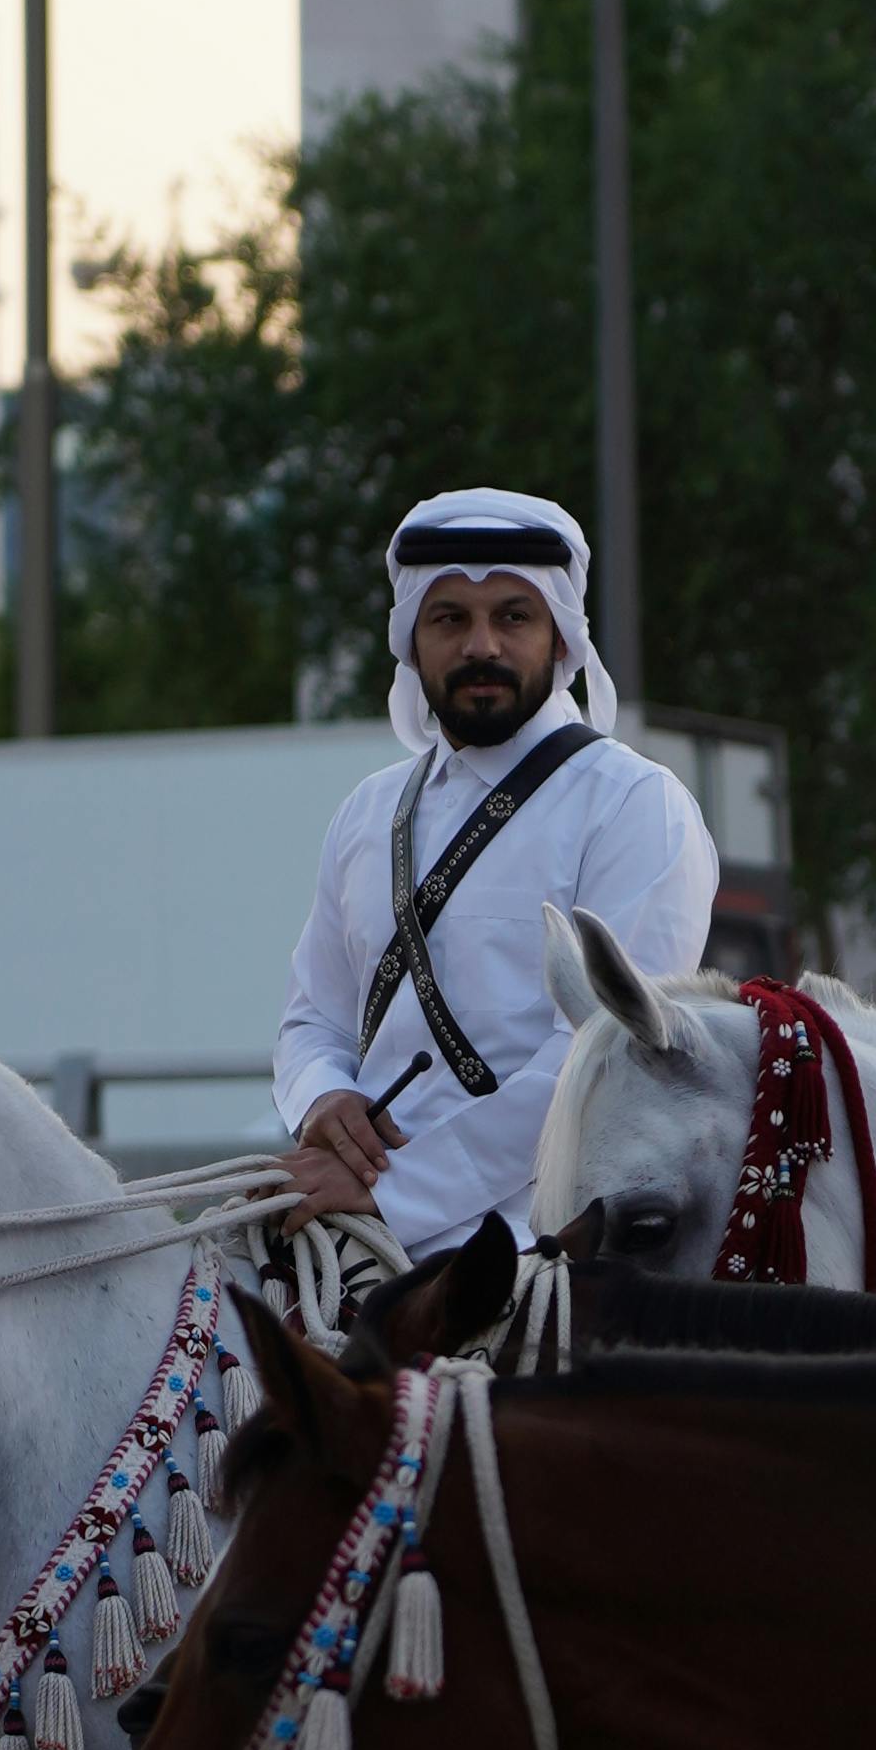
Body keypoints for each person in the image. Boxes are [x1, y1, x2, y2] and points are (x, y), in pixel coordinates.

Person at [276, 488, 717, 1254]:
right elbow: (313, 1020)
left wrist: (395, 1193)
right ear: (413, 643)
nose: (482, 645)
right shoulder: (366, 813)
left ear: (562, 639)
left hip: (549, 1252)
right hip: (350, 1228)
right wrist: (323, 1100)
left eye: (513, 616)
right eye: (450, 619)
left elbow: (598, 1061)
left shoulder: (636, 806)